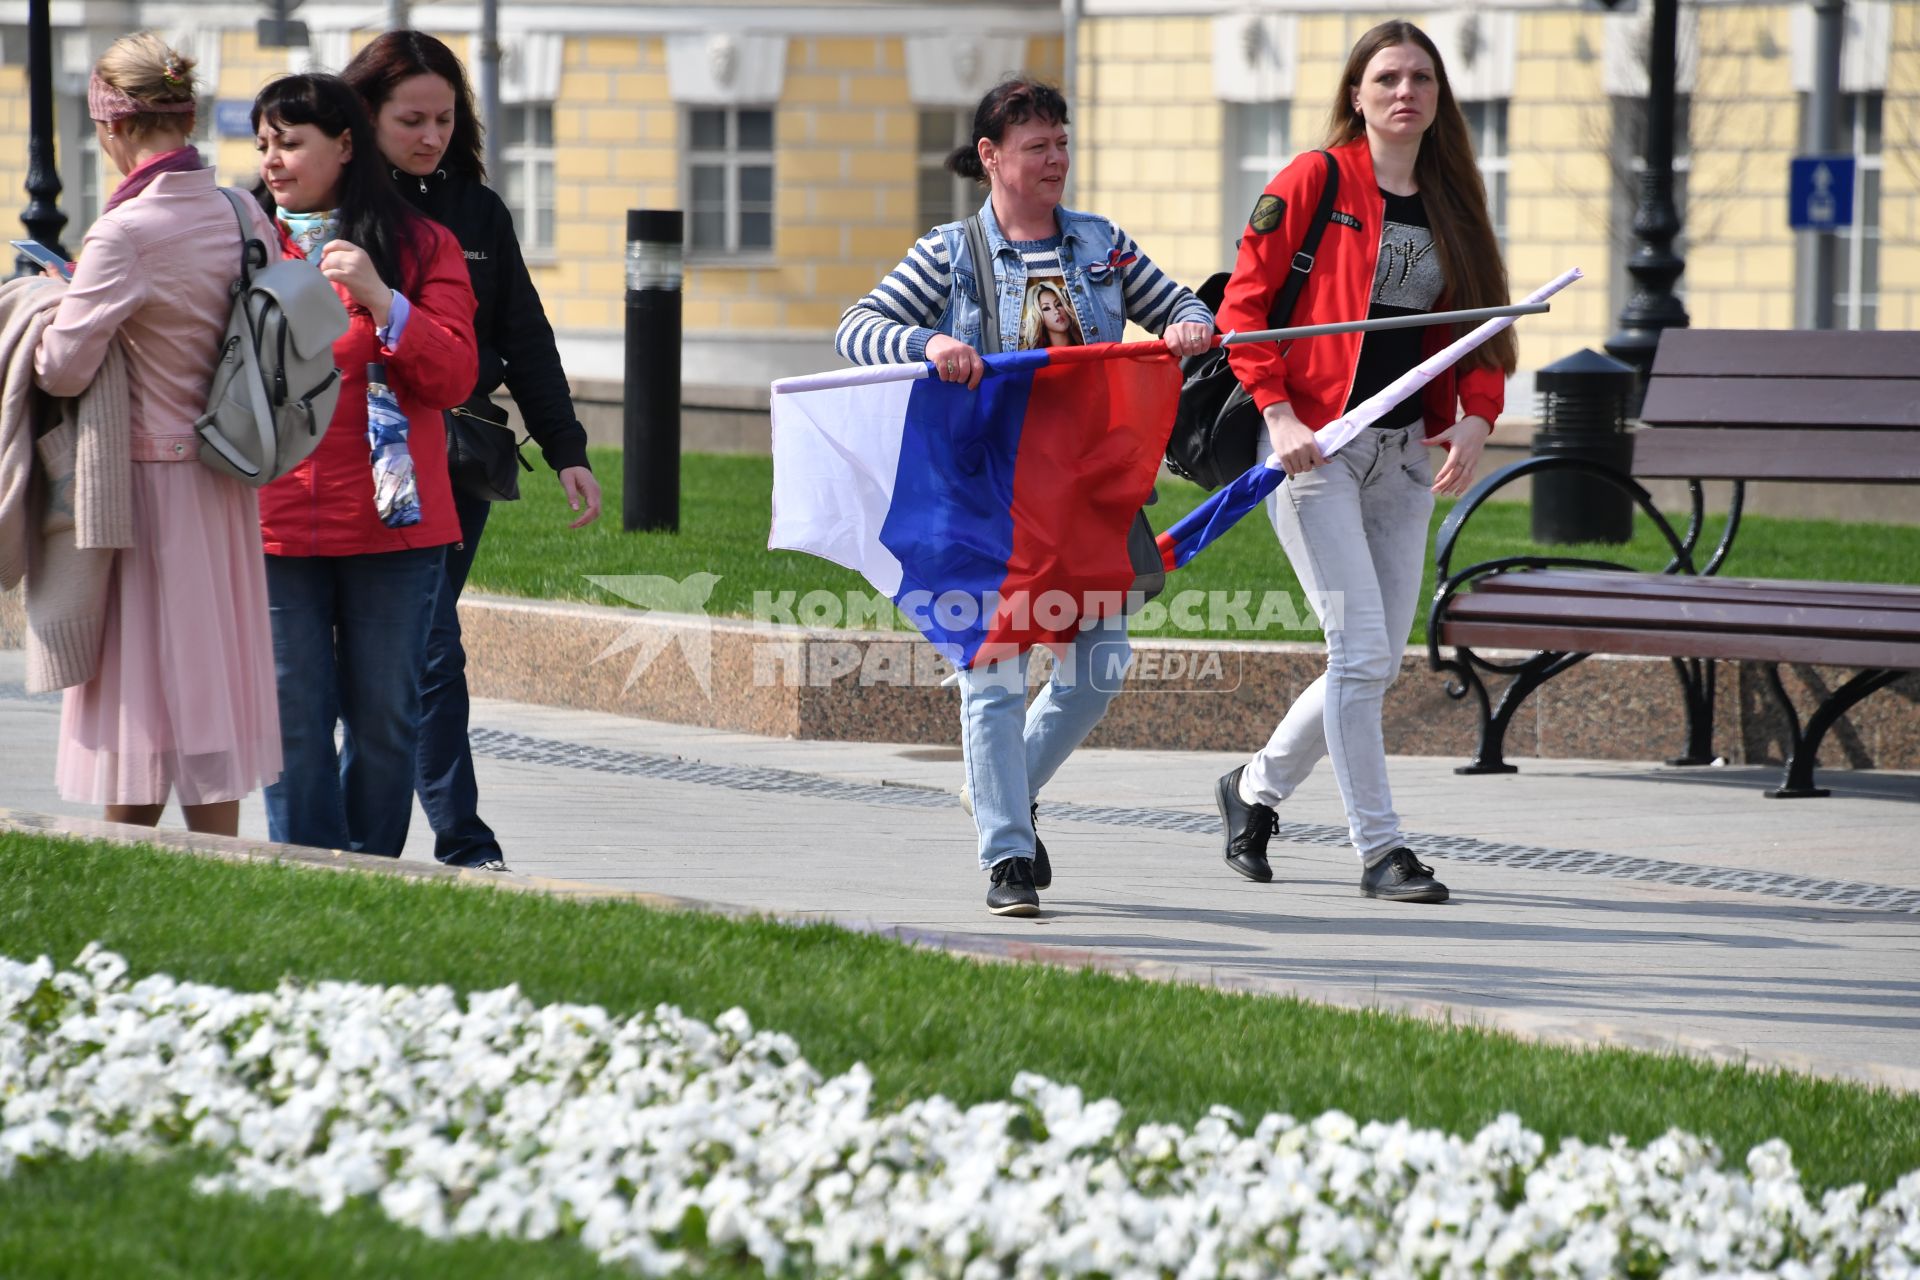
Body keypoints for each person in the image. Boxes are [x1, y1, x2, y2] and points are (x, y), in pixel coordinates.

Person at [835, 77, 1214, 918]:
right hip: (987, 499)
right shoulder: (947, 253)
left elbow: (1177, 301)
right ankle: (1008, 853)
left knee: (1098, 669)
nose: (1055, 160)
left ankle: (998, 789)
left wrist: (1187, 323)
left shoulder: (1101, 243)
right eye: (1037, 146)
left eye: (1062, 143)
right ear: (991, 157)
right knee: (995, 677)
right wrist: (929, 340)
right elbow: (855, 327)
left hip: (1087, 492)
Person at [1212, 20, 1514, 904]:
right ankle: (1381, 852)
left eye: (1421, 78)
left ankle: (1253, 790)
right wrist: (1275, 413)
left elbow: (1481, 326)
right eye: (1386, 77)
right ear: (1357, 93)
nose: (1404, 91)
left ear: (1438, 98)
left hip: (1408, 454)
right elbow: (1245, 308)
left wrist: (1478, 421)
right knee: (1358, 650)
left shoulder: (1456, 200)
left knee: (1374, 661)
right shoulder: (1316, 179)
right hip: (1316, 451)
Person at [341, 32, 601, 873]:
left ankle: (453, 836)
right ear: (363, 116)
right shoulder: (328, 205)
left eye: (445, 119)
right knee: (408, 646)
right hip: (350, 455)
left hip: (459, 456)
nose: (430, 136)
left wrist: (567, 448)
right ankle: (415, 833)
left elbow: (523, 334)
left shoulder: (477, 210)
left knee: (424, 642)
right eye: (410, 119)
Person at [32, 33, 282, 836]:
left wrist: (47, 306)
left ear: (114, 128)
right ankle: (221, 861)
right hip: (224, 474)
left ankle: (128, 854)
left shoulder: (124, 232)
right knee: (212, 691)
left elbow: (64, 369)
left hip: (141, 490)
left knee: (136, 692)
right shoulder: (244, 210)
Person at [250, 72, 478, 858]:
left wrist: (387, 302)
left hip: (392, 530)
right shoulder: (244, 246)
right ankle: (308, 875)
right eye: (264, 145)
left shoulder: (420, 245)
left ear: (345, 146)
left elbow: (453, 378)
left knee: (386, 719)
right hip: (274, 524)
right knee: (294, 719)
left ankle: (369, 875)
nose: (273, 161)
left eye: (291, 143)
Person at [1021, 280, 1083, 349]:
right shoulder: (1034, 357)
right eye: (1046, 308)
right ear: (1038, 317)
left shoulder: (1088, 343)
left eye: (1059, 304)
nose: (1056, 311)